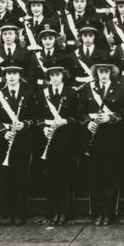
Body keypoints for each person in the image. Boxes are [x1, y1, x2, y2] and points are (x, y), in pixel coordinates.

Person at [80, 61, 124, 226]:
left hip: (112, 139)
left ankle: (109, 213)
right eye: (100, 71)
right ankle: (97, 212)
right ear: (96, 73)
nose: (103, 74)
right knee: (95, 178)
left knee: (110, 178)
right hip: (92, 139)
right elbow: (80, 111)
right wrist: (87, 122)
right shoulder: (87, 88)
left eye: (106, 71)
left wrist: (111, 118)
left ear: (111, 72)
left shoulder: (121, 88)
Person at [0, 64, 38, 225]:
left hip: (22, 140)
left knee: (21, 177)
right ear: (5, 76)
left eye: (14, 73)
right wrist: (3, 132)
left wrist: (24, 124)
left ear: (20, 75)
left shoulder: (28, 94)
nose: (11, 77)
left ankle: (20, 213)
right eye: (8, 74)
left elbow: (35, 117)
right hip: (4, 140)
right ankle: (7, 213)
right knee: (5, 178)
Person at [38, 63, 80, 225]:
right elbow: (38, 116)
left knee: (65, 177)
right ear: (48, 78)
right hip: (48, 138)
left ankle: (65, 212)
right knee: (51, 177)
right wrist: (43, 128)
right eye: (52, 75)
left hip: (66, 138)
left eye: (58, 74)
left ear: (63, 75)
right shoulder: (43, 93)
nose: (55, 78)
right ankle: (52, 211)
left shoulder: (71, 93)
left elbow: (77, 116)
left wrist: (65, 121)